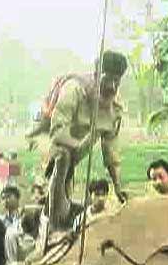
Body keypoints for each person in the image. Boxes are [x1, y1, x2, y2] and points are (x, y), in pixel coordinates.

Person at [46, 50, 128, 230]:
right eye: (107, 79)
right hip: (55, 152)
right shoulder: (73, 90)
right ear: (96, 74)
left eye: (117, 82)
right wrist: (79, 146)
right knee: (63, 157)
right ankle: (53, 223)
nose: (112, 87)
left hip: (77, 156)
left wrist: (118, 186)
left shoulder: (115, 107)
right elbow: (57, 133)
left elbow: (111, 149)